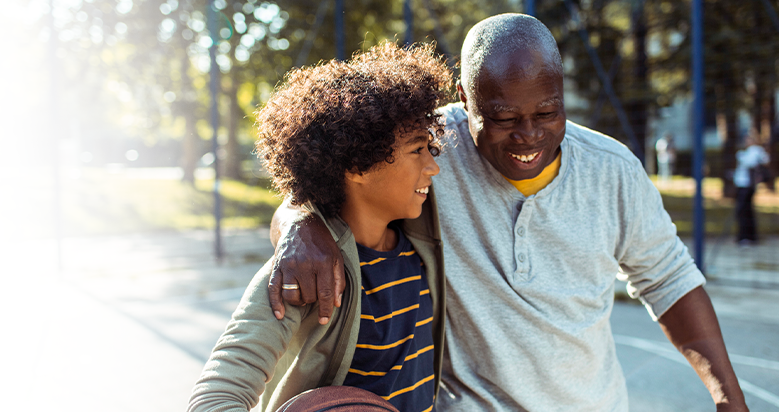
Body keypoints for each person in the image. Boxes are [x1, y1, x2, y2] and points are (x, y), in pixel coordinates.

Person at [264, 14, 750, 412]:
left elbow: (669, 279)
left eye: (547, 112)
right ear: (465, 98)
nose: (529, 136)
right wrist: (302, 224)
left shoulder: (613, 170)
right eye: (503, 118)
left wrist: (728, 395)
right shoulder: (432, 150)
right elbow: (330, 179)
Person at [188, 41, 452, 412]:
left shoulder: (420, 241)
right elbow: (216, 395)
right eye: (416, 150)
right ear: (358, 165)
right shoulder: (304, 272)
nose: (434, 166)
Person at [733, 136, 772, 245]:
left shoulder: (755, 150)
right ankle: (748, 236)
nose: (746, 141)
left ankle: (746, 237)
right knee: (745, 210)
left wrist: (741, 156)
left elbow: (751, 163)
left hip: (747, 185)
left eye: (748, 139)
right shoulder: (750, 151)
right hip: (742, 185)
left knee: (744, 211)